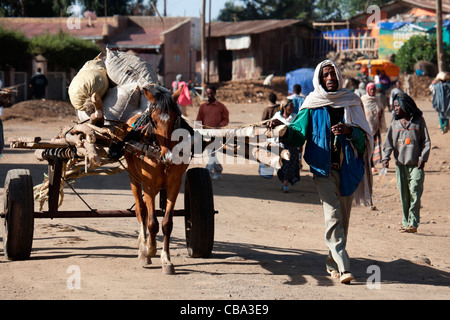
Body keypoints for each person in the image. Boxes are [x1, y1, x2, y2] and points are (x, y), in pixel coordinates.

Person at [278, 60, 373, 284]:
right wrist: (283, 132)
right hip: (323, 171)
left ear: (338, 76)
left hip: (349, 170)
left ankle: (332, 263)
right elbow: (298, 133)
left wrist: (350, 131)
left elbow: (363, 143)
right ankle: (344, 267)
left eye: (332, 74)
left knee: (344, 221)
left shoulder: (351, 102)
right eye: (325, 75)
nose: (329, 78)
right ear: (319, 79)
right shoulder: (312, 104)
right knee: (332, 216)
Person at [381, 92, 431, 233]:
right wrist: (386, 158)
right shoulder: (395, 124)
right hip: (400, 166)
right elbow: (388, 143)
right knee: (404, 195)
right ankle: (406, 222)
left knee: (415, 190)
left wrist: (423, 157)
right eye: (394, 106)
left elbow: (426, 141)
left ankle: (413, 223)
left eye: (398, 105)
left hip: (416, 164)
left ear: (405, 105)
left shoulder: (419, 121)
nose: (395, 108)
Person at [196, 85, 229, 180]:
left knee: (212, 153)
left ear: (215, 93)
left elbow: (225, 119)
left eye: (211, 93)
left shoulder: (221, 107)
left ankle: (207, 172)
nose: (209, 95)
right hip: (205, 134)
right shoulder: (203, 107)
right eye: (208, 94)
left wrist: (220, 125)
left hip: (217, 134)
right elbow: (198, 120)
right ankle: (218, 170)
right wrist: (197, 132)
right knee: (212, 154)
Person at [268, 99, 300, 193]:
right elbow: (270, 127)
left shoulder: (295, 117)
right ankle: (283, 181)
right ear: (284, 107)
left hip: (292, 144)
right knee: (281, 165)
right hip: (279, 145)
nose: (292, 108)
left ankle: (285, 183)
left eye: (293, 106)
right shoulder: (277, 116)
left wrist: (300, 144)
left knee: (289, 164)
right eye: (290, 106)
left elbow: (298, 130)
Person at [362, 82, 387, 172]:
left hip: (375, 127)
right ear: (367, 90)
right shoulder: (363, 100)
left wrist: (380, 112)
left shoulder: (377, 100)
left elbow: (381, 109)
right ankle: (367, 164)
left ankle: (372, 164)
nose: (372, 91)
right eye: (370, 89)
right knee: (366, 146)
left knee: (373, 146)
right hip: (365, 127)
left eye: (373, 89)